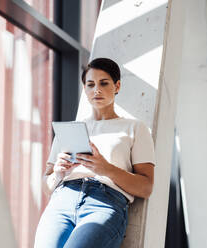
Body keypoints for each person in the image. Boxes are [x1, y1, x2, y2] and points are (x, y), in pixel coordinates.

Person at [34, 58, 156, 248]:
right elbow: (47, 187)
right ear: (85, 89)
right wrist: (58, 173)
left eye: (104, 83)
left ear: (117, 86)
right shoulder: (70, 130)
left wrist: (105, 168)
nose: (96, 90)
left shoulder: (135, 128)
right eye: (90, 84)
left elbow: (146, 187)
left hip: (104, 202)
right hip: (62, 199)